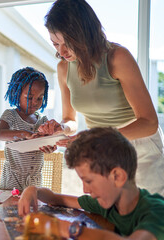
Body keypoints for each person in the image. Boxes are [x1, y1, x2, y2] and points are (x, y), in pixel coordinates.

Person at [38, 0, 164, 194]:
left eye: (68, 44)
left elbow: (149, 123)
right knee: (107, 216)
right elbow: (71, 120)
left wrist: (94, 137)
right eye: (55, 44)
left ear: (84, 36)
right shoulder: (64, 68)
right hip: (100, 149)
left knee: (148, 215)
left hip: (139, 147)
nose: (61, 52)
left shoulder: (117, 57)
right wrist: (60, 130)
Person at [18, 127, 164, 239]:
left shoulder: (157, 211)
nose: (85, 189)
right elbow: (56, 199)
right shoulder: (108, 202)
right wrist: (32, 190)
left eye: (88, 181)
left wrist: (68, 228)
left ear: (117, 177)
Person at [0, 67, 54, 191]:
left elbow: (47, 142)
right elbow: (0, 134)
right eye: (29, 97)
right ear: (16, 94)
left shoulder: (43, 121)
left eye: (40, 98)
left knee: (32, 208)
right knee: (10, 209)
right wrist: (25, 134)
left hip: (35, 180)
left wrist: (50, 146)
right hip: (13, 179)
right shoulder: (10, 115)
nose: (35, 102)